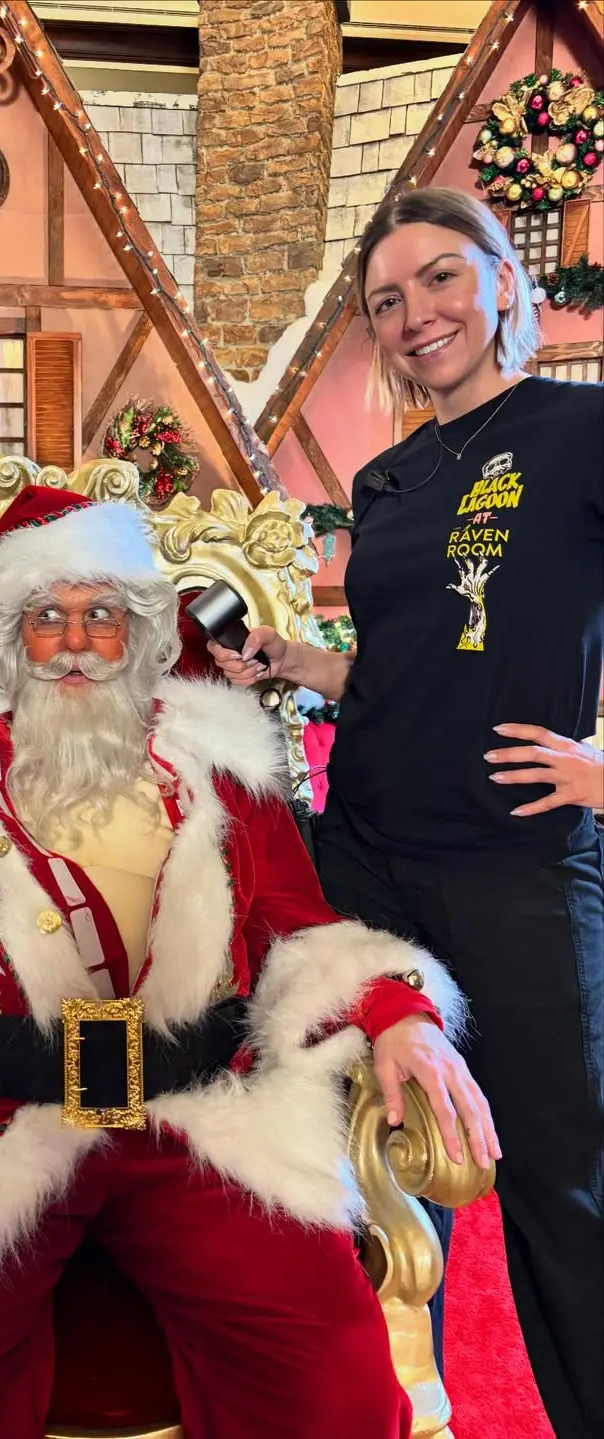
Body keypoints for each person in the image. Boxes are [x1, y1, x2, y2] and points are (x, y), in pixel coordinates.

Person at [0, 486, 498, 1439]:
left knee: (336, 1387)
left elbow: (298, 925)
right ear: (10, 637)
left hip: (199, 1116)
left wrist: (399, 1013)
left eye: (102, 614)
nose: (74, 642)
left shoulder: (221, 765)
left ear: (141, 630)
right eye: (47, 617)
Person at [212, 187, 603, 1439]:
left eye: (441, 278)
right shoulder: (386, 479)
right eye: (387, 300)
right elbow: (404, 662)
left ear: (503, 280)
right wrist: (296, 661)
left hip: (518, 869)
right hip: (367, 864)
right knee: (371, 1178)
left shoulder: (580, 431)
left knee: (569, 1197)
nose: (416, 314)